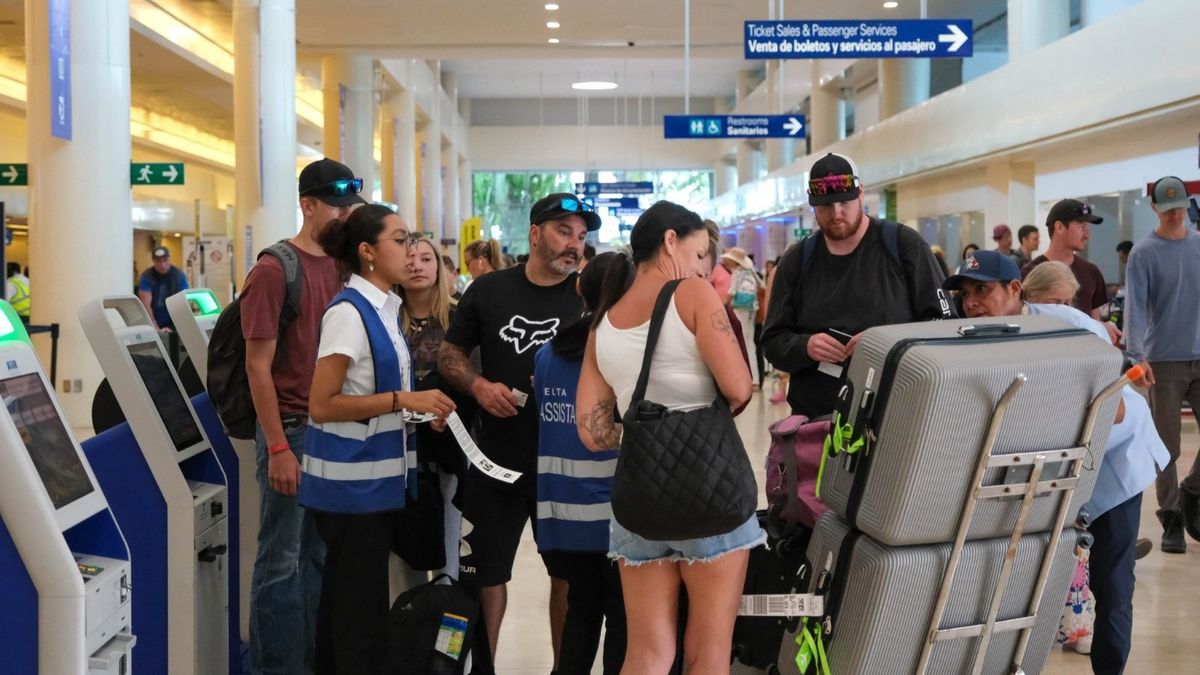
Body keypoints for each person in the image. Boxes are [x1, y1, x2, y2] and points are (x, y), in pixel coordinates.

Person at [942, 250, 1168, 675]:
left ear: (1014, 290)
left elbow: (1113, 411)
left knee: (1112, 583)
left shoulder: (1069, 327)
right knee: (1024, 583)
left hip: (1112, 464)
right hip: (1049, 469)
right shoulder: (972, 336)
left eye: (983, 290)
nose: (972, 301)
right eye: (966, 293)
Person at [575, 200, 760, 672]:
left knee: (648, 652)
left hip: (640, 502)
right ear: (671, 241)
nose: (701, 268)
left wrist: (648, 436)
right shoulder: (694, 295)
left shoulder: (602, 323)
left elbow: (592, 433)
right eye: (699, 254)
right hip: (711, 494)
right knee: (709, 652)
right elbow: (739, 388)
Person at [438, 192, 598, 669]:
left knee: (569, 577)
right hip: (497, 461)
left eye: (581, 236)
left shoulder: (591, 297)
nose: (575, 245)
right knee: (484, 575)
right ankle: (482, 667)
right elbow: (450, 356)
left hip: (566, 467)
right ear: (534, 234)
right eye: (564, 232)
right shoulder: (488, 291)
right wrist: (480, 386)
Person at [304, 204, 455, 674]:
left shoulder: (384, 309)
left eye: (412, 240)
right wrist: (402, 401)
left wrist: (415, 411)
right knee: (359, 619)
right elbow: (322, 403)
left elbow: (374, 394)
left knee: (344, 609)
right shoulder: (349, 314)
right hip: (351, 494)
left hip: (377, 489)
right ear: (368, 252)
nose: (410, 251)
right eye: (400, 239)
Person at [241, 157, 365, 674]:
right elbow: (257, 367)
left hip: (331, 431)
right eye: (335, 206)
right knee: (280, 565)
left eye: (350, 206)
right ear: (307, 205)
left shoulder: (342, 268)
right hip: (291, 431)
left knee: (316, 559)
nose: (344, 215)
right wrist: (276, 448)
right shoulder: (274, 270)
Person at [761, 152, 951, 418]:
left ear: (860, 193)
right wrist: (806, 346)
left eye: (844, 202)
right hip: (819, 420)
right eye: (825, 206)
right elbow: (773, 342)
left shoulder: (904, 246)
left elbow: (944, 326)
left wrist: (885, 342)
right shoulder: (796, 261)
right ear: (812, 205)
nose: (836, 214)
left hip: (896, 413)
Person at [534, 251, 627, 675]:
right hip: (610, 515)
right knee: (621, 619)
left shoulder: (547, 353)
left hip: (560, 513)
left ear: (577, 288)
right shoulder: (617, 351)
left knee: (581, 611)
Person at [1124, 175, 1200, 554]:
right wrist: (1136, 355)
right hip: (1164, 360)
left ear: (1188, 205)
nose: (1174, 214)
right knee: (1166, 445)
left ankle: (1192, 492)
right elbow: (1135, 309)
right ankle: (1171, 517)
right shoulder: (1144, 253)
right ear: (1155, 208)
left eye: (1179, 207)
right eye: (1167, 208)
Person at [397, 236, 475, 580]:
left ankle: (446, 602)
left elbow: (475, 375)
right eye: (409, 258)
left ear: (441, 268)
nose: (416, 265)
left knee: (449, 534)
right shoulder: (385, 317)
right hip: (398, 440)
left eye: (426, 258)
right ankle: (407, 617)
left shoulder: (460, 316)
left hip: (451, 440)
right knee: (406, 541)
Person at [1020, 199, 1107, 319]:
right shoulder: (1030, 274)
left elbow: (1094, 319)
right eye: (1081, 227)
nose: (1087, 235)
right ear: (1059, 227)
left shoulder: (1091, 272)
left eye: (1087, 228)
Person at [722, 247, 763, 387]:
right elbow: (762, 286)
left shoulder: (737, 273)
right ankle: (755, 380)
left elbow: (731, 292)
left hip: (740, 310)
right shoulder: (750, 272)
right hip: (752, 310)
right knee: (750, 343)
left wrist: (723, 306)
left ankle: (745, 378)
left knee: (740, 343)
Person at [138, 246, 189, 330]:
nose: (162, 265)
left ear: (169, 259)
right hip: (153, 321)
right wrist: (155, 327)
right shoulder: (147, 276)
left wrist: (178, 327)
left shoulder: (179, 275)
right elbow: (145, 306)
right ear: (153, 261)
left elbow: (183, 303)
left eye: (165, 260)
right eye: (158, 261)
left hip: (175, 320)